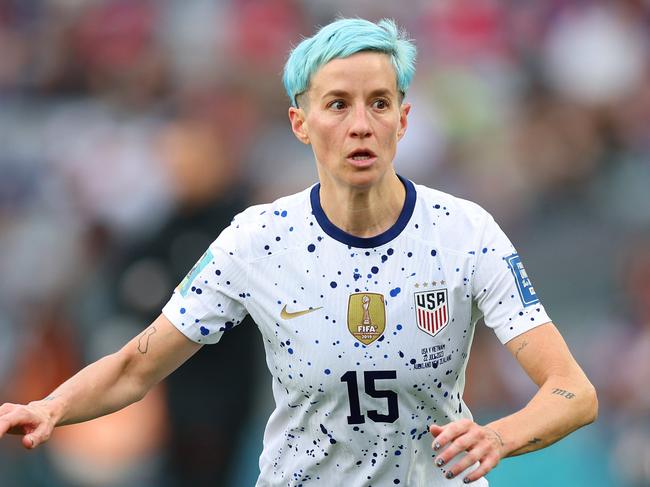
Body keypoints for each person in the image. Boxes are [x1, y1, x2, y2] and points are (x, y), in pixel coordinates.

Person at [0, 18, 597, 486]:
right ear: (300, 123)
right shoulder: (257, 240)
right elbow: (135, 367)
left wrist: (500, 437)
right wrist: (52, 406)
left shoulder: (466, 233)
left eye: (380, 103)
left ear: (404, 120)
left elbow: (572, 391)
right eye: (338, 104)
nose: (360, 124)